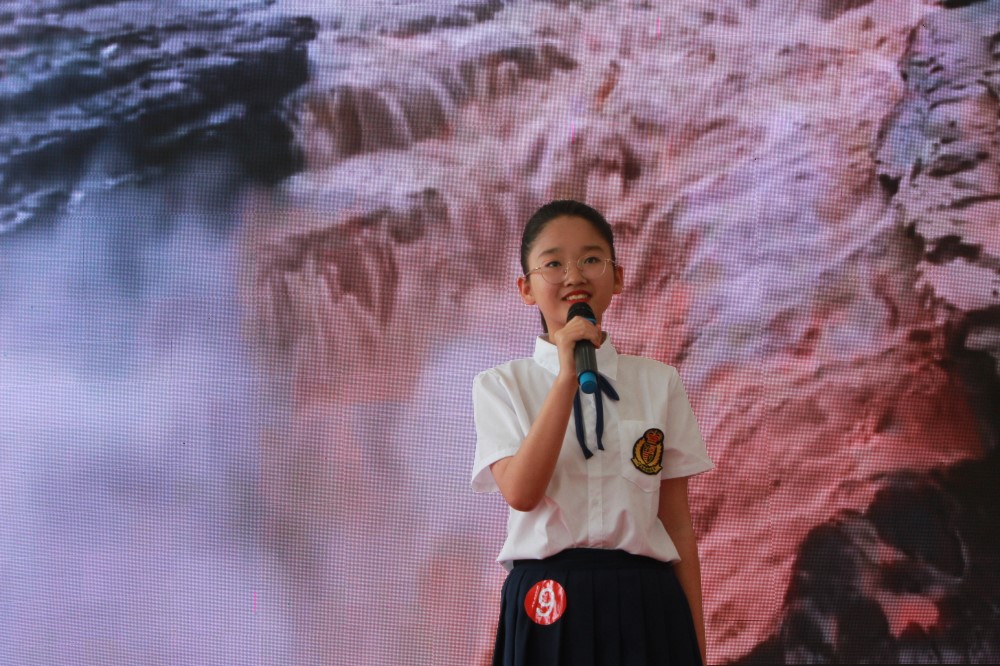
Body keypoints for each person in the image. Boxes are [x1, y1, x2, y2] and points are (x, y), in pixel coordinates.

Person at [471, 200, 714, 666]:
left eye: (590, 258)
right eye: (553, 263)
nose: (574, 275)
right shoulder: (500, 385)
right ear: (526, 288)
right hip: (548, 598)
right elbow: (521, 492)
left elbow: (677, 524)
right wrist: (566, 378)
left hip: (645, 598)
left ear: (617, 277)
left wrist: (696, 647)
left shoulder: (658, 382)